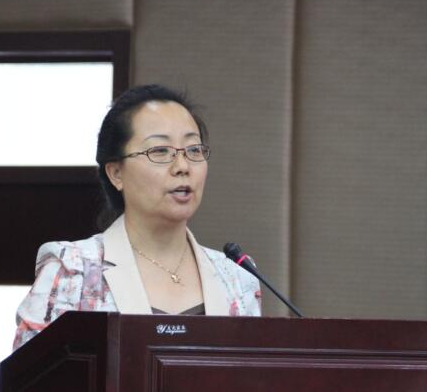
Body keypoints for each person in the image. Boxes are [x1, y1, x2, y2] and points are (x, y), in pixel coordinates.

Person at [13, 84, 261, 350]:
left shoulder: (236, 277)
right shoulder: (72, 270)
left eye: (193, 150)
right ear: (116, 173)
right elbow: (31, 375)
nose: (182, 166)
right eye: (160, 151)